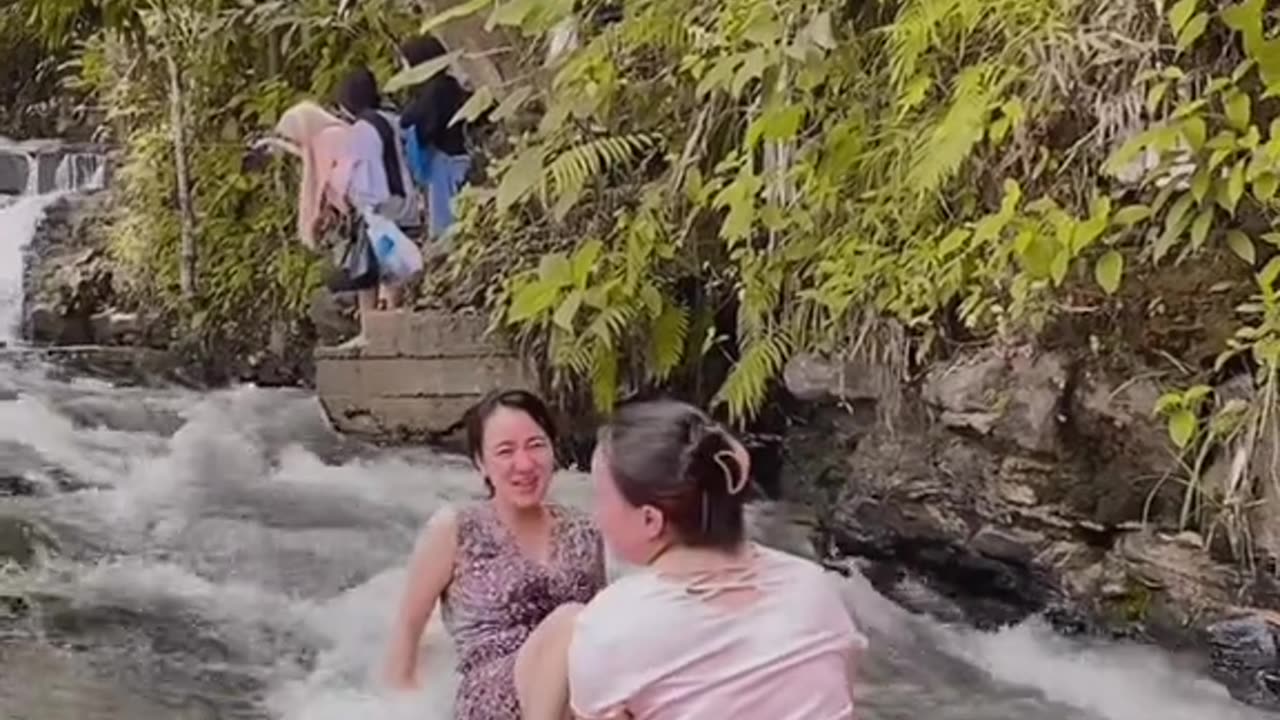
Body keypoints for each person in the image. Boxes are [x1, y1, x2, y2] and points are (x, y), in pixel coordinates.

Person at [567, 399, 866, 720]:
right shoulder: (814, 588)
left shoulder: (613, 624)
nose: (595, 514)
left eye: (601, 497)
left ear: (650, 521)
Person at [384, 389, 607, 720]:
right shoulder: (456, 529)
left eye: (535, 445)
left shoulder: (584, 530)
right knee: (570, 620)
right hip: (494, 701)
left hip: (579, 699)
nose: (524, 464)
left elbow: (606, 626)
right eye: (505, 451)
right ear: (480, 462)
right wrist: (400, 699)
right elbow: (407, 628)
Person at [266, 99, 387, 348]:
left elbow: (334, 174)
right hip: (367, 205)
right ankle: (371, 328)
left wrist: (335, 207)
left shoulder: (328, 138)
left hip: (364, 206)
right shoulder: (333, 133)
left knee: (366, 271)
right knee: (366, 270)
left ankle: (372, 331)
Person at [333, 66, 423, 312]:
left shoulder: (361, 129)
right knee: (392, 269)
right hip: (404, 200)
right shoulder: (393, 120)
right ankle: (389, 318)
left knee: (368, 270)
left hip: (380, 206)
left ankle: (372, 328)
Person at [396, 34, 473, 241]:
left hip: (449, 166)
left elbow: (419, 126)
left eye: (406, 65)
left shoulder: (435, 91)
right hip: (456, 161)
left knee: (450, 229)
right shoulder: (448, 84)